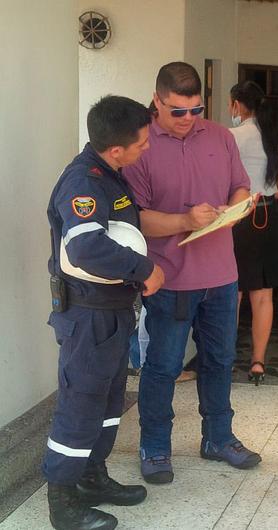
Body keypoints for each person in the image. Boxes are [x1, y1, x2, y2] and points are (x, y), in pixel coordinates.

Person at [124, 62, 261, 485]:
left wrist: (239, 206)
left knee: (219, 360)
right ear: (157, 100)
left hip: (222, 275)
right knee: (163, 366)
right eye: (177, 111)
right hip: (169, 279)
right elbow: (136, 220)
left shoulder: (219, 136)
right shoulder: (140, 145)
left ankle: (218, 438)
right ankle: (156, 446)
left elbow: (239, 184)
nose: (187, 120)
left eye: (196, 110)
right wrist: (188, 220)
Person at [44, 95, 165, 530]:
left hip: (112, 312)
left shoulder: (110, 174)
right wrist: (144, 269)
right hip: (88, 317)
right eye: (142, 143)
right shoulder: (83, 182)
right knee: (80, 405)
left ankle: (93, 478)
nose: (146, 148)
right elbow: (86, 246)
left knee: (110, 402)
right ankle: (63, 503)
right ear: (117, 149)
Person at [229, 80, 278, 384]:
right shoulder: (276, 139)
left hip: (237, 217)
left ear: (237, 105)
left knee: (233, 292)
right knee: (263, 295)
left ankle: (224, 358)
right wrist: (261, 194)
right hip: (268, 216)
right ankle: (258, 362)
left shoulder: (231, 137)